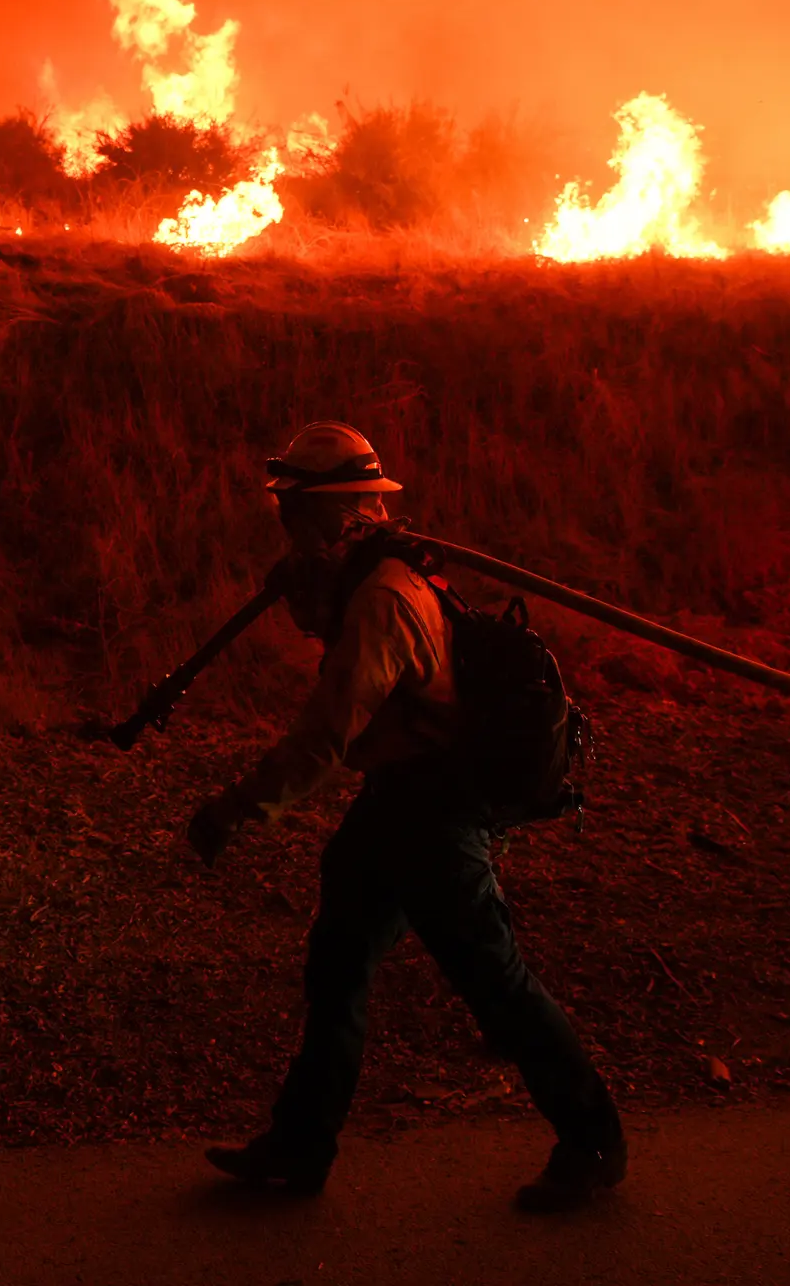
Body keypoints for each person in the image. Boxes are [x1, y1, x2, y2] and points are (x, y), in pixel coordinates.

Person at [187, 421, 626, 1214]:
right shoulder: (369, 579)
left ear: (340, 511)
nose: (285, 523)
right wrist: (305, 583)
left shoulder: (388, 598)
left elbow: (328, 734)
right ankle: (300, 1144)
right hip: (394, 803)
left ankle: (592, 1141)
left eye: (295, 510)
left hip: (433, 811)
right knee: (339, 965)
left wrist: (235, 809)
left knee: (494, 982)